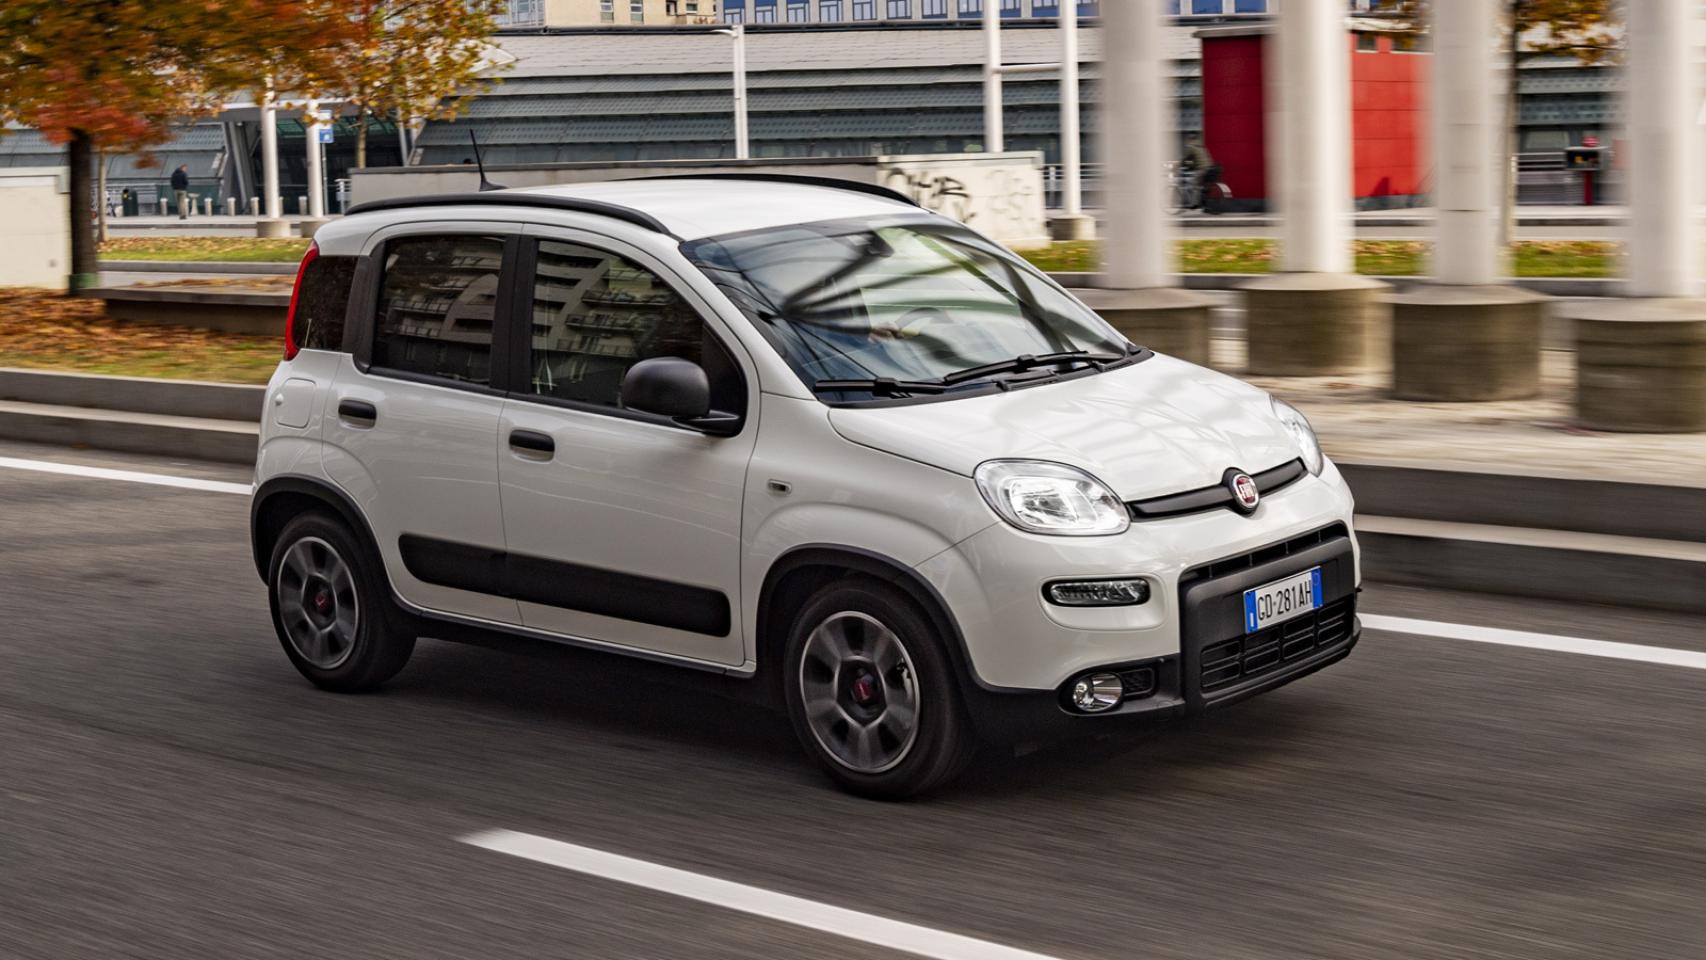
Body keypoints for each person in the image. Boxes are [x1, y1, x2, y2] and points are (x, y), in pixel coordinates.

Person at [1180, 137, 1222, 211]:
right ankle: (1203, 203)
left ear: (1190, 140)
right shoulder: (1202, 148)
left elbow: (1185, 158)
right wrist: (1191, 166)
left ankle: (1195, 204)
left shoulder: (1191, 147)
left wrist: (1179, 165)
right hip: (1209, 168)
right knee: (1203, 186)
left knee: (1194, 185)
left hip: (1201, 169)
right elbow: (1199, 160)